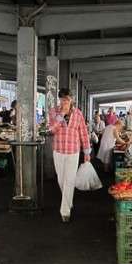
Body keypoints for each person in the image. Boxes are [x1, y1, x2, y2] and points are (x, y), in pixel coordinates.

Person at [48, 88, 92, 223]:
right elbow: (51, 128)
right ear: (59, 99)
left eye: (67, 99)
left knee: (69, 181)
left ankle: (65, 211)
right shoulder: (54, 112)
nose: (65, 101)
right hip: (59, 149)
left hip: (73, 151)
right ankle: (68, 200)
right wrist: (61, 115)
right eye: (62, 99)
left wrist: (87, 151)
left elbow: (83, 132)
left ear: (71, 99)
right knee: (61, 180)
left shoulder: (78, 114)